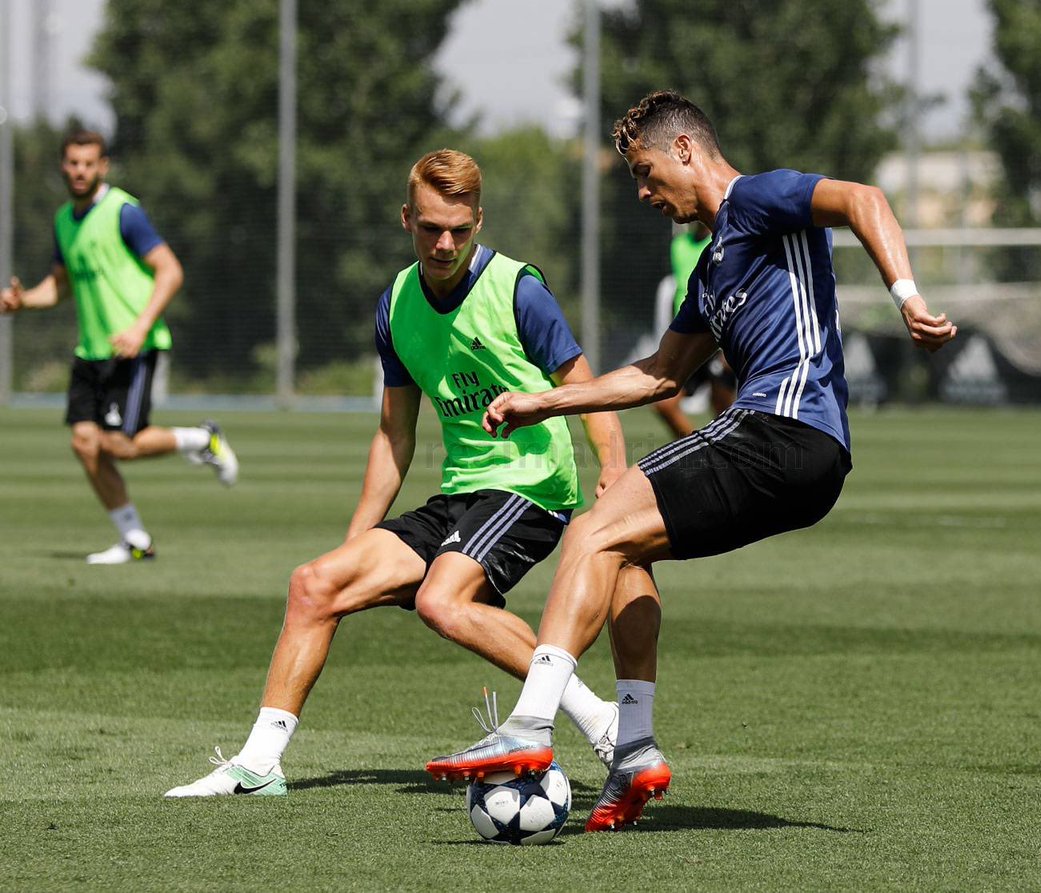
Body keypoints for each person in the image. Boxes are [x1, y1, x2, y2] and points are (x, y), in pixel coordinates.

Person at [426, 91, 958, 831]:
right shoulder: (708, 273)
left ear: (683, 150)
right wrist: (546, 402)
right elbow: (660, 375)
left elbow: (863, 198)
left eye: (645, 173)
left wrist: (906, 296)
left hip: (785, 427)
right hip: (798, 456)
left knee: (592, 531)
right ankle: (635, 747)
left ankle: (530, 725)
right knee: (621, 549)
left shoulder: (757, 199)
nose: (644, 194)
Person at [166, 149, 656, 797]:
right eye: (430, 228)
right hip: (461, 493)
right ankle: (259, 765)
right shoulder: (395, 304)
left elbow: (586, 388)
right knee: (314, 585)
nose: (445, 244)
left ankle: (600, 721)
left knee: (440, 599)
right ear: (406, 219)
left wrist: (612, 469)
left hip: (532, 485)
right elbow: (394, 436)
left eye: (459, 229)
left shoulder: (518, 290)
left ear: (479, 221)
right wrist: (356, 541)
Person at [0, 130, 238, 565]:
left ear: (103, 166)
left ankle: (202, 439)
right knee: (84, 443)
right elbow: (60, 286)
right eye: (73, 163)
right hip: (91, 350)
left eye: (89, 163)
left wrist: (139, 327)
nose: (80, 171)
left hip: (133, 347)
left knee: (119, 446)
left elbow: (170, 271)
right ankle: (135, 541)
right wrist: (24, 301)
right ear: (63, 166)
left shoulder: (124, 212)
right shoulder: (63, 220)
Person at [651, 222, 736, 438]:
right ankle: (698, 449)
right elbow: (680, 291)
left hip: (717, 339)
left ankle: (731, 452)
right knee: (665, 403)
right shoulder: (678, 245)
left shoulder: (721, 242)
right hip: (688, 338)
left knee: (724, 413)